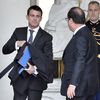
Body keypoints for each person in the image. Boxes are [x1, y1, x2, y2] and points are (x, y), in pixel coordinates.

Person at [2, 5, 54, 100]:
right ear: (27, 17)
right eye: (32, 15)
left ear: (41, 18)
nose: (34, 18)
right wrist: (17, 43)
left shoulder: (47, 37)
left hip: (36, 80)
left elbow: (48, 60)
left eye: (37, 16)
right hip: (19, 80)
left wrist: (34, 69)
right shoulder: (18, 32)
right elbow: (5, 50)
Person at [60, 7, 99, 100]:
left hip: (79, 88)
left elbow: (80, 60)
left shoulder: (80, 36)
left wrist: (73, 84)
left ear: (70, 20)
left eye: (67, 19)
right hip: (87, 87)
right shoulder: (88, 34)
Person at [85, 1, 100, 100]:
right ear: (88, 11)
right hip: (87, 67)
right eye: (90, 10)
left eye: (95, 10)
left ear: (99, 11)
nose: (93, 12)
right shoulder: (82, 27)